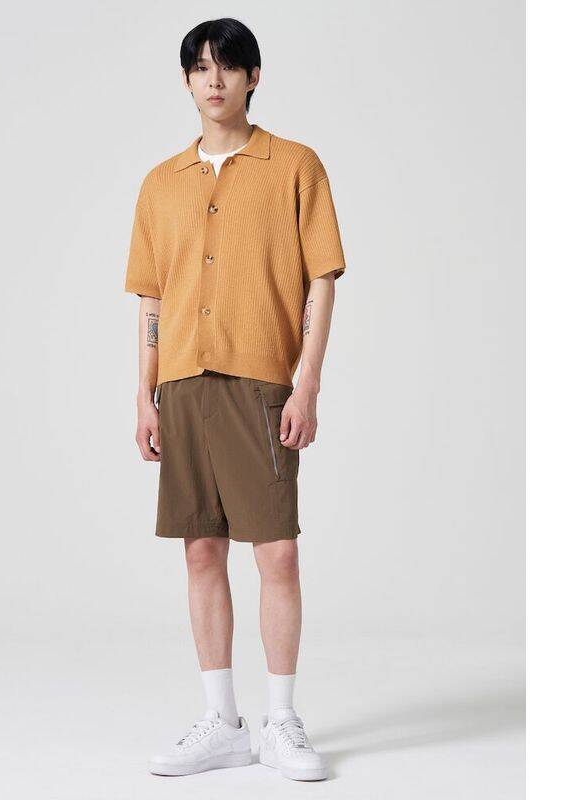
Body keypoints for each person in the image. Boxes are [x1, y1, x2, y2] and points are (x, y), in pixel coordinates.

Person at [123, 17, 346, 782]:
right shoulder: (161, 183)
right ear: (187, 81)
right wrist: (145, 395)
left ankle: (281, 721)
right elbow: (151, 298)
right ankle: (222, 721)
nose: (213, 79)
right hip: (182, 382)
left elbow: (321, 279)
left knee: (276, 551)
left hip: (261, 382)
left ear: (254, 76)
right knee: (200, 549)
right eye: (200, 67)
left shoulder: (296, 166)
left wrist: (307, 381)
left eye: (228, 65)